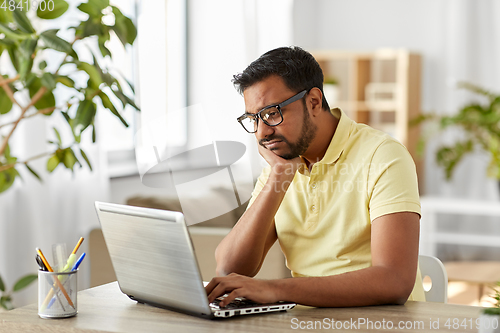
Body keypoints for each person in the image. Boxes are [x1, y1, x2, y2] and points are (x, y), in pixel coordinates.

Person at [205, 46, 425, 307]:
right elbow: (229, 267)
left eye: (272, 113)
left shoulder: (384, 156)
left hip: (381, 321)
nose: (262, 132)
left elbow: (394, 280)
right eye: (254, 118)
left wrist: (275, 290)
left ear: (313, 102)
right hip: (307, 320)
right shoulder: (281, 166)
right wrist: (279, 177)